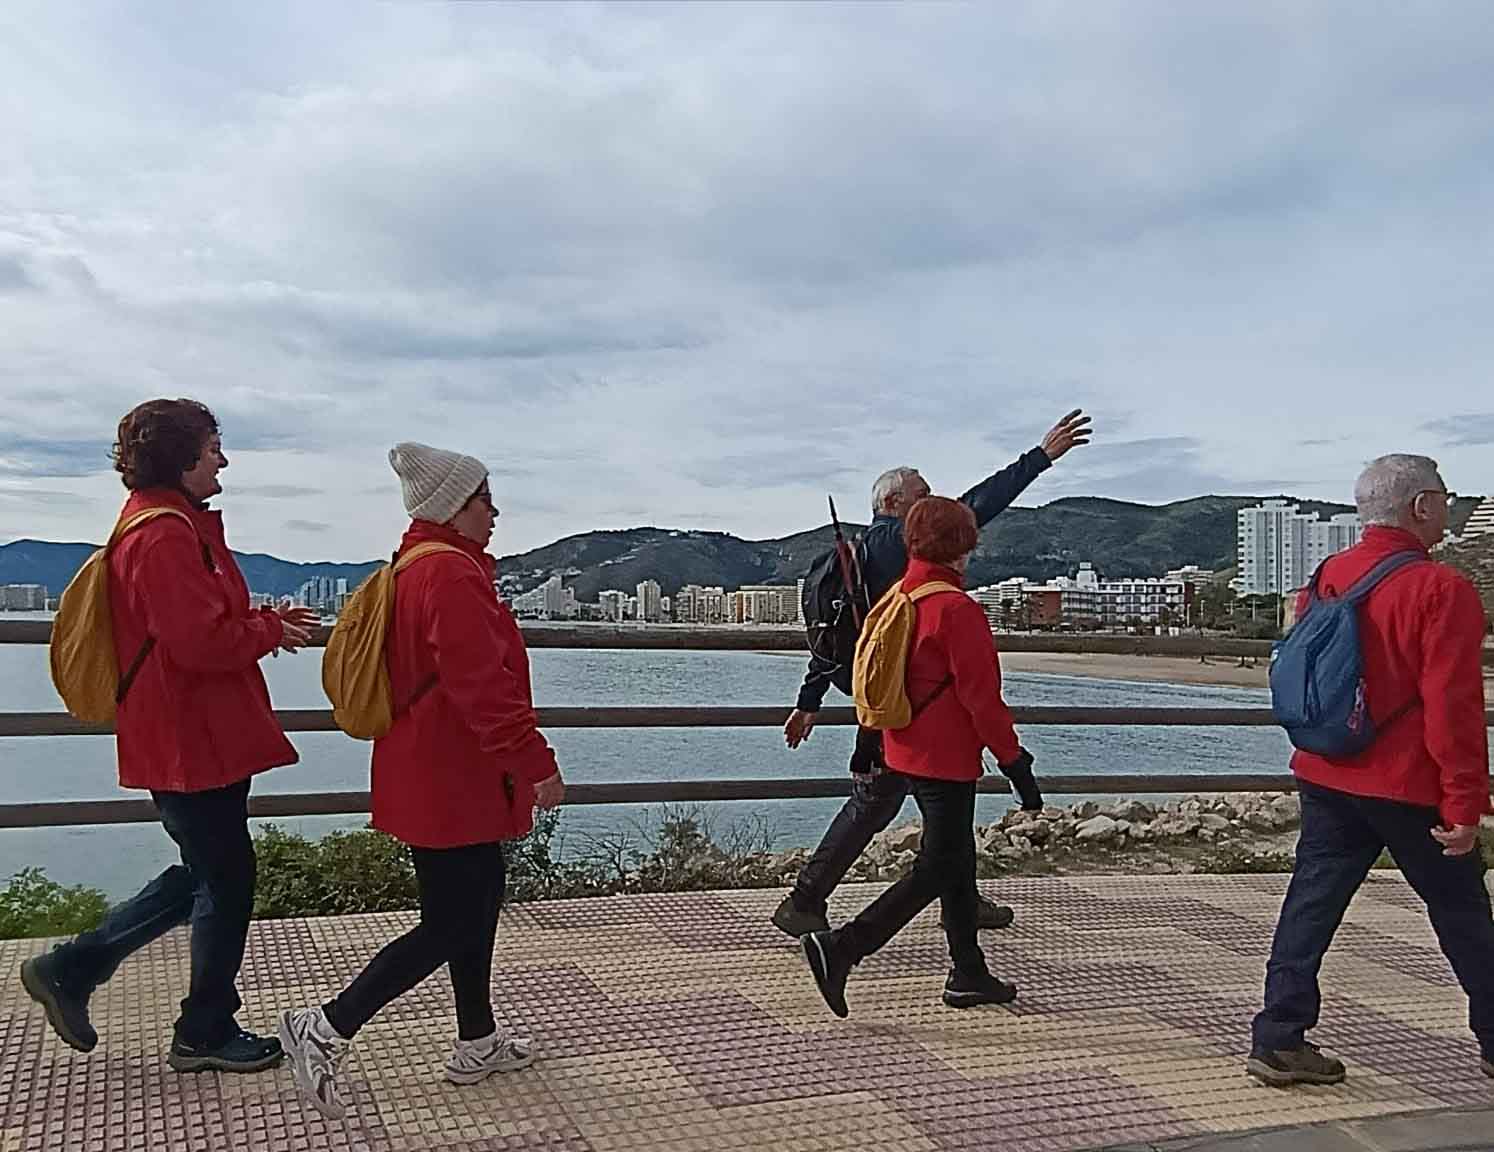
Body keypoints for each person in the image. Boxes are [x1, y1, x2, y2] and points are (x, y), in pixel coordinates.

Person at [21, 399, 317, 1072]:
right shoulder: (165, 534)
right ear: (183, 457)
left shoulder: (165, 525)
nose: (223, 459)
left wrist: (265, 619)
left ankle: (73, 968)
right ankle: (200, 1030)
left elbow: (189, 625)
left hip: (188, 732)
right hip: (191, 737)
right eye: (213, 447)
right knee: (226, 878)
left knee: (206, 871)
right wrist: (268, 631)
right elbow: (198, 644)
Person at [279, 442, 565, 1120]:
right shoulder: (451, 576)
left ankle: (478, 1040)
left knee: (475, 902)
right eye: (484, 499)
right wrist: (536, 762)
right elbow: (481, 688)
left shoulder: (415, 566)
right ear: (453, 507)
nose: (494, 511)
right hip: (453, 776)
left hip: (428, 770)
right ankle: (324, 1026)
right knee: (452, 921)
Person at [772, 409, 1091, 938]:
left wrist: (810, 700)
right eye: (925, 494)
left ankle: (958, 905)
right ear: (895, 505)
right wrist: (1038, 459)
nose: (935, 502)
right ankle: (811, 905)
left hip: (883, 699)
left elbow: (838, 634)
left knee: (936, 812)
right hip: (912, 706)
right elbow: (972, 511)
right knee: (890, 805)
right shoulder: (900, 543)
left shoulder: (857, 554)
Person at [1248, 454, 1493, 1087]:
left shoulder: (1328, 574)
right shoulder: (1441, 589)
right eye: (1445, 497)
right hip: (1408, 783)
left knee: (1310, 903)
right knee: (1464, 914)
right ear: (1421, 507)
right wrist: (1465, 803)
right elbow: (1453, 707)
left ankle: (1278, 1036)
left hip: (1327, 770)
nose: (1450, 507)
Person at [801, 496, 1036, 1016]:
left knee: (955, 859)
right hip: (946, 757)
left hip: (901, 745)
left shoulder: (898, 597)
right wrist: (1015, 762)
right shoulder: (956, 609)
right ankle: (842, 948)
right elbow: (983, 701)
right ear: (962, 547)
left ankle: (968, 971)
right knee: (938, 865)